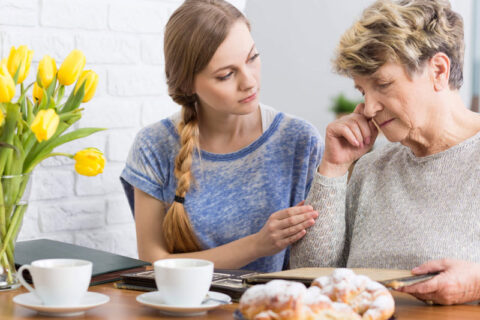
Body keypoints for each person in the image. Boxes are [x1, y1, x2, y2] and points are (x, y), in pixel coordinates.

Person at [291, 0, 480, 305]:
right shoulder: (372, 167)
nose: (369, 108)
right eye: (363, 91)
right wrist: (334, 167)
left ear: (439, 70)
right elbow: (309, 276)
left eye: (383, 84)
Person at [120, 0, 323, 273]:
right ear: (187, 84)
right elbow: (152, 263)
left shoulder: (300, 141)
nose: (249, 81)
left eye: (252, 58)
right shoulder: (153, 145)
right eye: (226, 75)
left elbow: (317, 263)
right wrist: (257, 245)